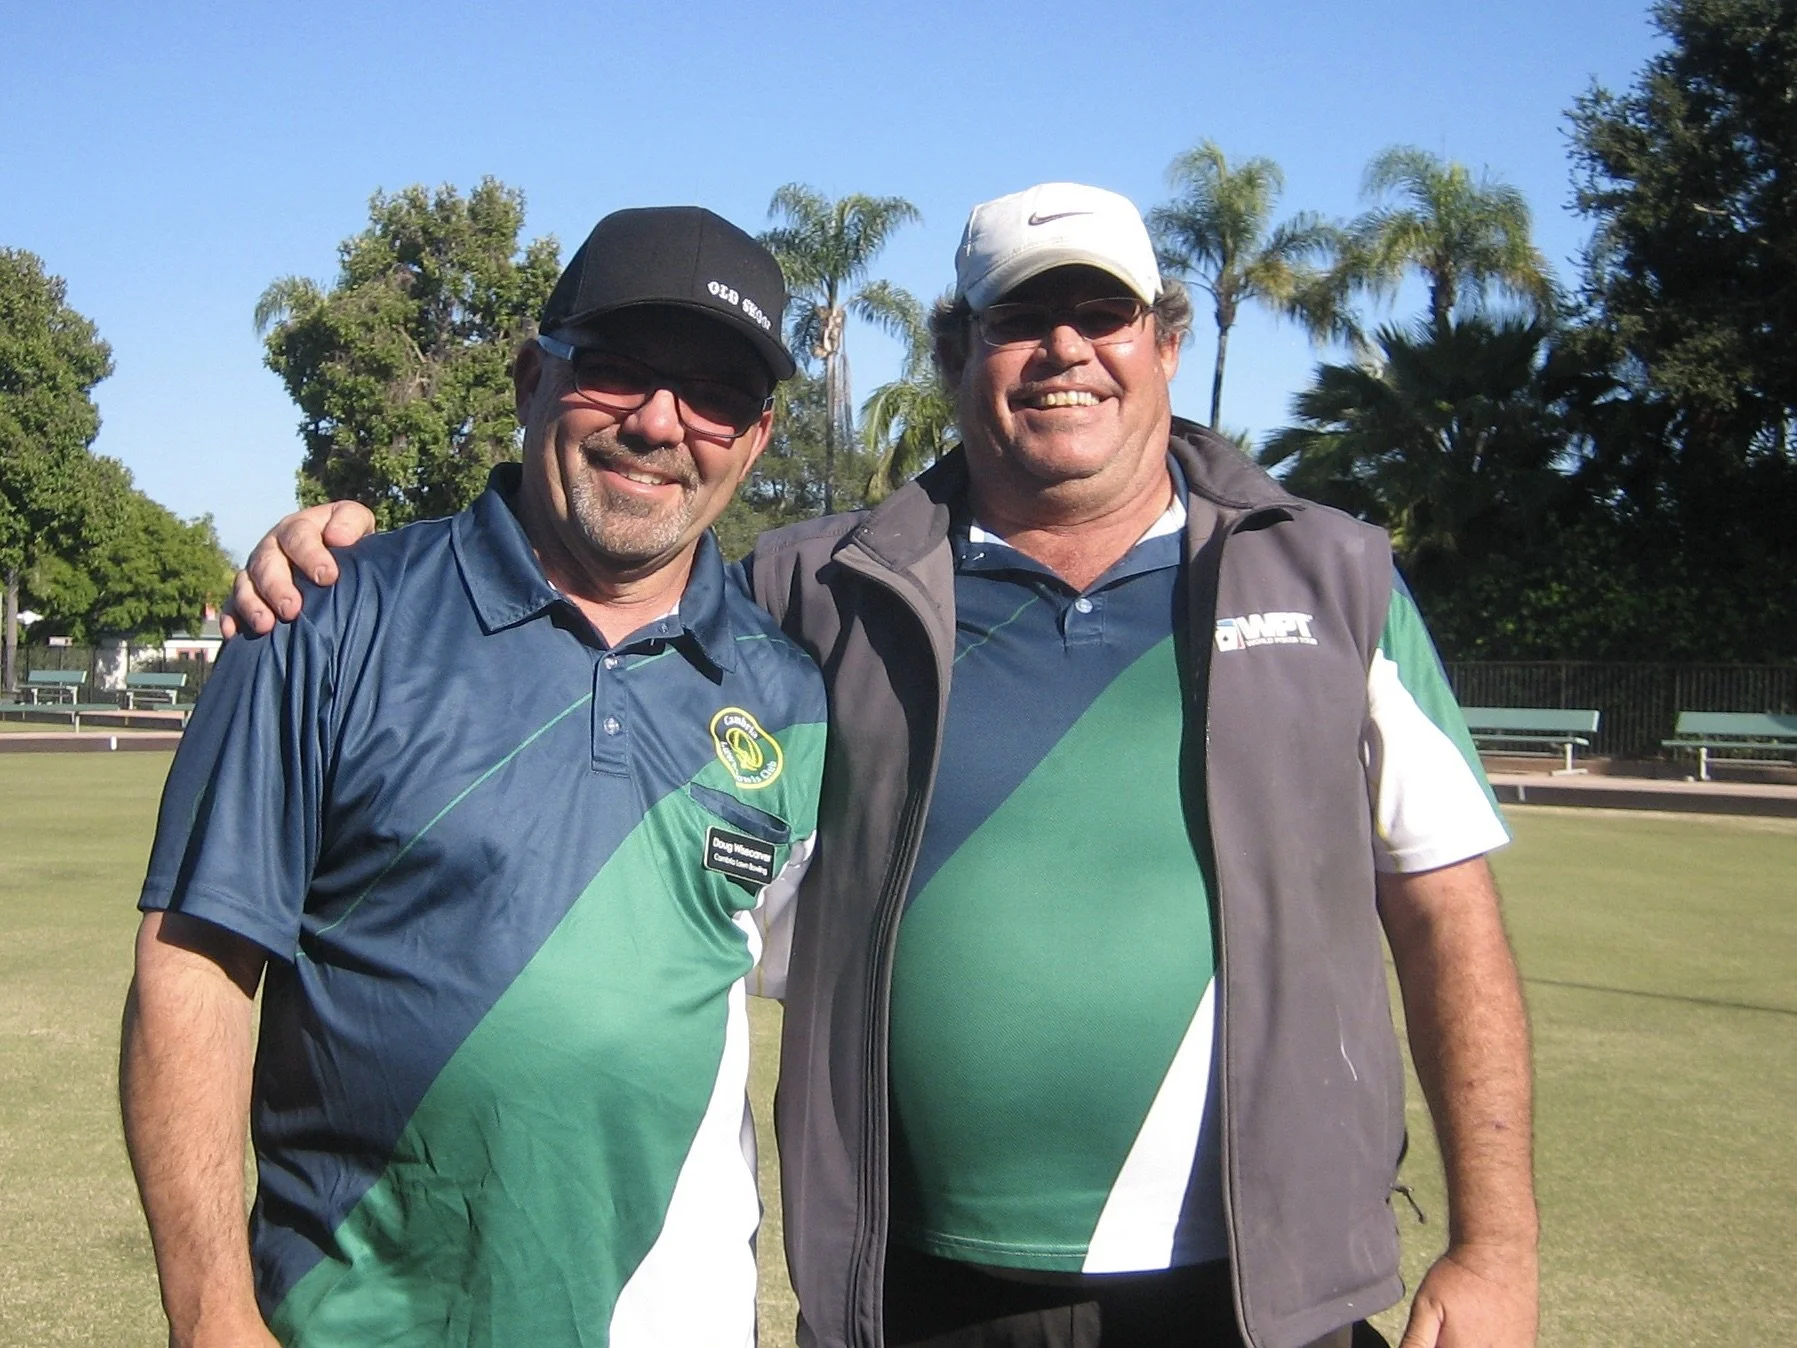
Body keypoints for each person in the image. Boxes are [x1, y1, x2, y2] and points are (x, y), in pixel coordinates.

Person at [231, 183, 1538, 1348]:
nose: (1067, 349)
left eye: (1105, 312)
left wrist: (1497, 1246)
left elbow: (1444, 911)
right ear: (956, 350)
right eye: (1023, 318)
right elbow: (610, 578)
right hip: (920, 1292)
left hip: (1262, 1296)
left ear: (1167, 343)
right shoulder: (816, 587)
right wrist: (343, 548)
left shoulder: (1328, 575)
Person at [121, 206, 828, 1348]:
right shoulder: (326, 618)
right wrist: (211, 1320)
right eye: (619, 370)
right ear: (530, 376)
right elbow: (194, 967)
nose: (660, 422)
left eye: (714, 394)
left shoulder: (791, 691)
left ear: (754, 439)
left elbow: (849, 996)